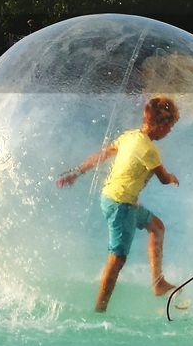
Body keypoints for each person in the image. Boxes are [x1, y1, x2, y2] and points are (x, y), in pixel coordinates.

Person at [57, 95, 181, 312]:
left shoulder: (130, 136)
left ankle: (158, 282)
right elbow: (162, 178)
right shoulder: (150, 151)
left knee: (157, 227)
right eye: (170, 126)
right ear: (161, 124)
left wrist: (77, 172)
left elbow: (102, 155)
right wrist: (172, 177)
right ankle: (100, 309)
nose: (170, 131)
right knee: (117, 259)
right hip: (121, 206)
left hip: (113, 199)